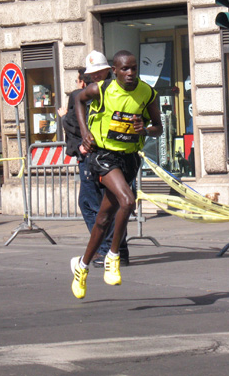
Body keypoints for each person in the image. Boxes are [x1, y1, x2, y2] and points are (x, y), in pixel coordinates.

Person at [70, 50, 163, 299]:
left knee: (103, 219)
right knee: (128, 200)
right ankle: (113, 256)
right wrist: (84, 131)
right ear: (115, 70)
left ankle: (81, 266)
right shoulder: (101, 89)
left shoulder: (148, 93)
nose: (130, 73)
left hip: (129, 158)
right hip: (103, 155)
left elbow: (158, 128)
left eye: (134, 68)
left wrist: (145, 129)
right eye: (124, 69)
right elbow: (78, 99)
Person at [58, 52, 129, 269]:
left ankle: (106, 249)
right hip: (111, 156)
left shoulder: (94, 93)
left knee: (95, 205)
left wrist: (80, 137)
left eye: (97, 72)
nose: (95, 77)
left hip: (98, 158)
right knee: (111, 204)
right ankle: (117, 250)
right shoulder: (106, 91)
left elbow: (72, 121)